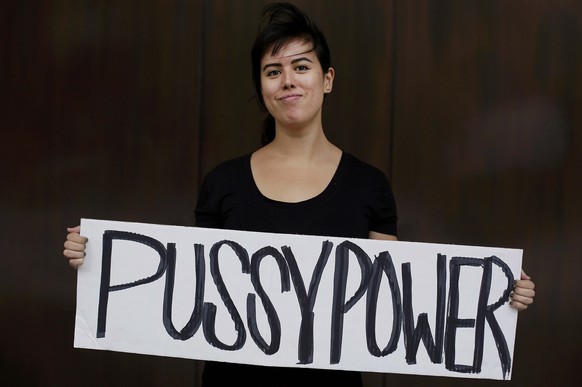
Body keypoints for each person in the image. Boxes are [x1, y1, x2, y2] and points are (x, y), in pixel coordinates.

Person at [64, 2, 536, 386]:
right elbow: (187, 286)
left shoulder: (368, 186)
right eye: (273, 71)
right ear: (262, 88)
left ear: (327, 80)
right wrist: (99, 260)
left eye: (301, 66)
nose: (288, 80)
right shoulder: (223, 183)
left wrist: (494, 296)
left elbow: (396, 298)